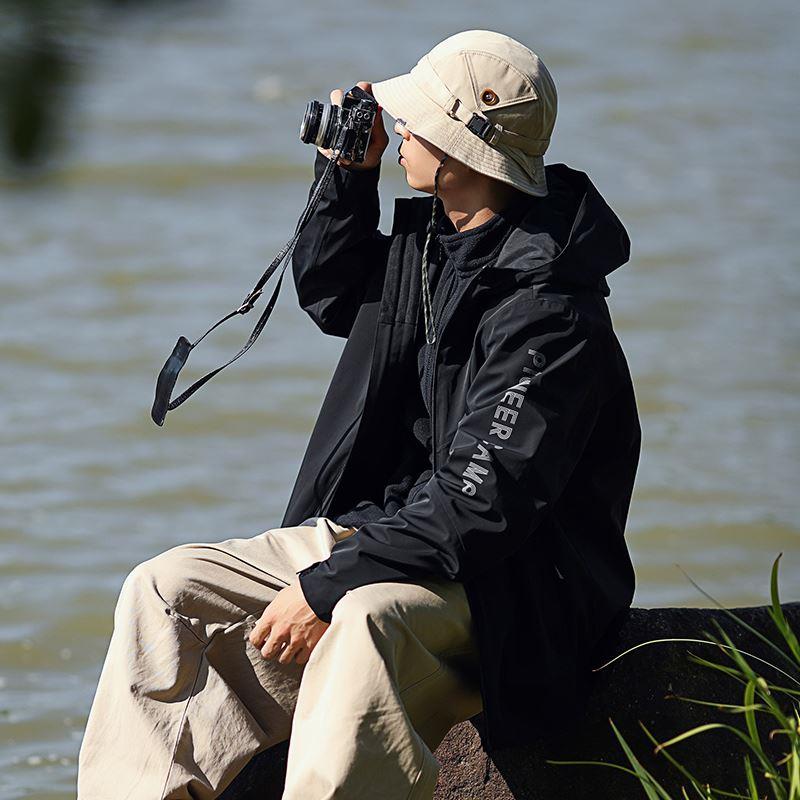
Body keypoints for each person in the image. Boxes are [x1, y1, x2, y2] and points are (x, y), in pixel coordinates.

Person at [76, 29, 641, 800]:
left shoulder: (551, 311)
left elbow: (483, 505)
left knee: (362, 619)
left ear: (463, 150)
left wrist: (325, 585)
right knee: (164, 587)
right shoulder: (441, 243)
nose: (399, 126)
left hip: (514, 580)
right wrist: (347, 175)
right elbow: (337, 294)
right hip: (397, 530)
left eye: (414, 120)